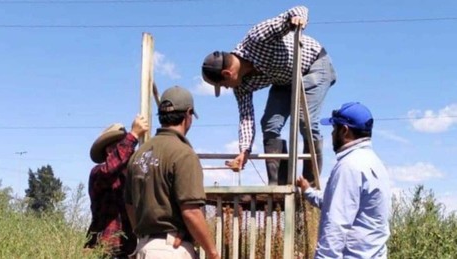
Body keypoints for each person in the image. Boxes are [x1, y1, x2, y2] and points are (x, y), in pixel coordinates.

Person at [201, 5, 336, 186]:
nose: (225, 88)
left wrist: (298, 19)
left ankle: (310, 188)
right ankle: (280, 187)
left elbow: (297, 10)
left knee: (305, 121)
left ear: (227, 74)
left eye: (222, 85)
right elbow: (246, 118)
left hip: (314, 66)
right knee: (269, 125)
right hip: (284, 80)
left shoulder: (257, 38)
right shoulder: (242, 87)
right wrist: (244, 151)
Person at [125, 86, 220, 259]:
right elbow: (191, 211)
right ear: (188, 114)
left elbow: (130, 206)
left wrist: (147, 235)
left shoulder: (138, 154)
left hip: (143, 248)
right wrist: (212, 252)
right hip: (171, 250)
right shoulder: (183, 153)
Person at [296, 102, 391, 258]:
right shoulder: (375, 164)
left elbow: (336, 224)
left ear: (345, 131)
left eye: (334, 129)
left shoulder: (349, 166)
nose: (332, 134)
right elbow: (337, 203)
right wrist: (308, 191)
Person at [85, 115, 149, 258]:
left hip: (127, 250)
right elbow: (110, 169)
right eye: (123, 145)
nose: (130, 149)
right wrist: (133, 135)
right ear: (109, 150)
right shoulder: (98, 173)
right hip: (104, 250)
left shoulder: (130, 177)